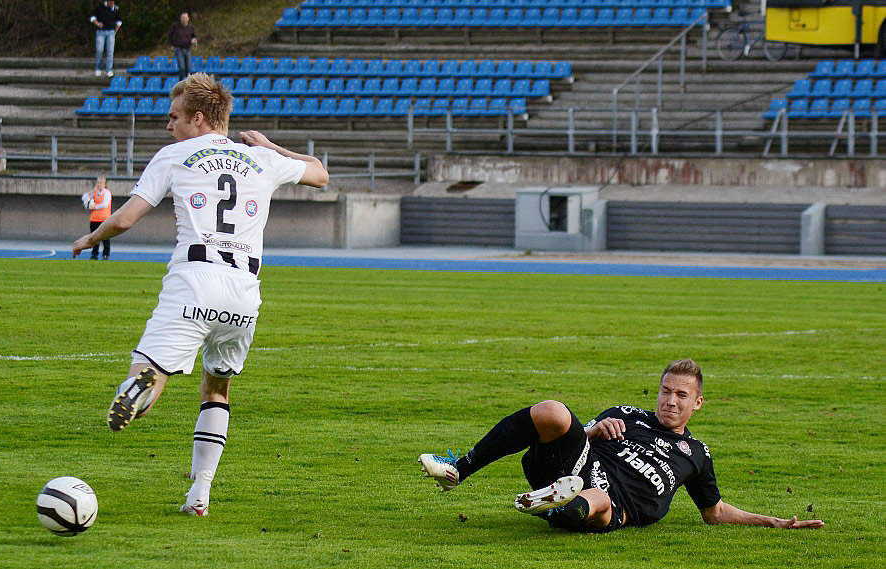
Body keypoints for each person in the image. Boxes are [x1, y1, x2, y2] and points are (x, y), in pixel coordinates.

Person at [72, 72, 329, 516]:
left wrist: (89, 240)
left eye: (173, 117)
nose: (167, 126)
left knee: (149, 370)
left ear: (197, 117)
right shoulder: (260, 161)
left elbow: (125, 219)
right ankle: (200, 495)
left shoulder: (173, 156)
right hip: (245, 292)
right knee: (217, 390)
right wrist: (272, 148)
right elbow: (321, 175)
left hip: (194, 277)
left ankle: (141, 385)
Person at [419, 359, 824, 533]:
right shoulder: (627, 414)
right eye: (666, 391)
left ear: (697, 403)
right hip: (575, 468)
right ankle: (460, 469)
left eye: (681, 395)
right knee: (554, 412)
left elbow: (715, 512)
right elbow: (573, 433)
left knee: (598, 502)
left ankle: (558, 507)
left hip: (617, 504)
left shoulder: (697, 454)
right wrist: (594, 431)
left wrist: (772, 521)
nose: (670, 400)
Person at [81, 176, 113, 259]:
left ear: (105, 184)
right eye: (98, 182)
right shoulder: (95, 193)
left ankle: (106, 254)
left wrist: (94, 207)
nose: (99, 184)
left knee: (105, 237)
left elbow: (104, 204)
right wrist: (92, 191)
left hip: (104, 219)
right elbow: (84, 198)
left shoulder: (107, 193)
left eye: (101, 183)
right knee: (94, 238)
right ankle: (94, 254)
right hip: (94, 219)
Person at [90, 0, 122, 77]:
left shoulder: (115, 9)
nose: (111, 4)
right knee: (99, 50)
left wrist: (115, 31)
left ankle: (109, 70)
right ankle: (98, 68)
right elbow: (92, 17)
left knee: (110, 51)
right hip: (101, 32)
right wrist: (97, 24)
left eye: (112, 2)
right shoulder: (100, 8)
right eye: (110, 2)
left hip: (111, 32)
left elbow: (119, 22)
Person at [168, 11, 197, 80]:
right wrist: (172, 44)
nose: (184, 19)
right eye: (183, 18)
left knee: (189, 69)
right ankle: (181, 84)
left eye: (185, 18)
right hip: (178, 49)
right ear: (180, 18)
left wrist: (194, 41)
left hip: (187, 49)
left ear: (188, 19)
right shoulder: (175, 26)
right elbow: (169, 35)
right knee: (182, 68)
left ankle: (188, 84)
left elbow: (194, 36)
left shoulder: (191, 27)